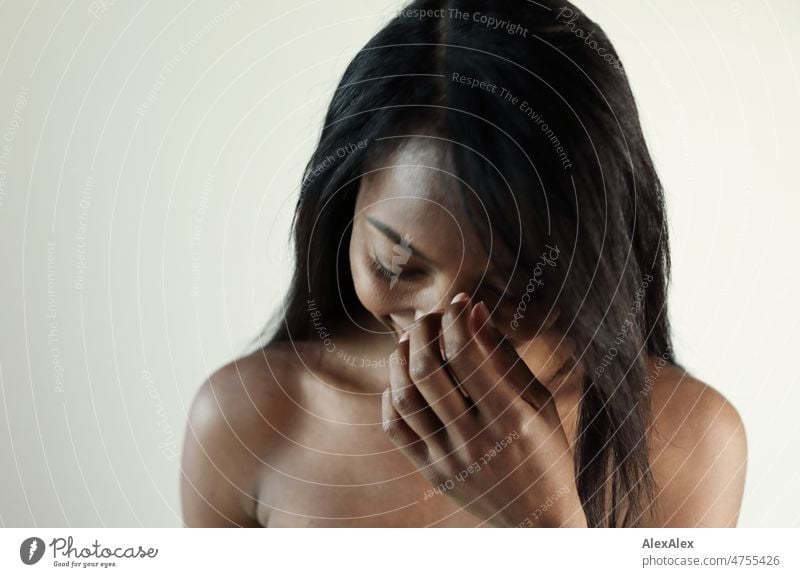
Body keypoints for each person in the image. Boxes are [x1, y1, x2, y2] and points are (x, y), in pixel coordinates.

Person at [181, 0, 746, 528]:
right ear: (341, 210)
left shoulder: (689, 440)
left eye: (509, 285)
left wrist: (549, 525)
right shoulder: (247, 419)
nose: (436, 324)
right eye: (396, 266)